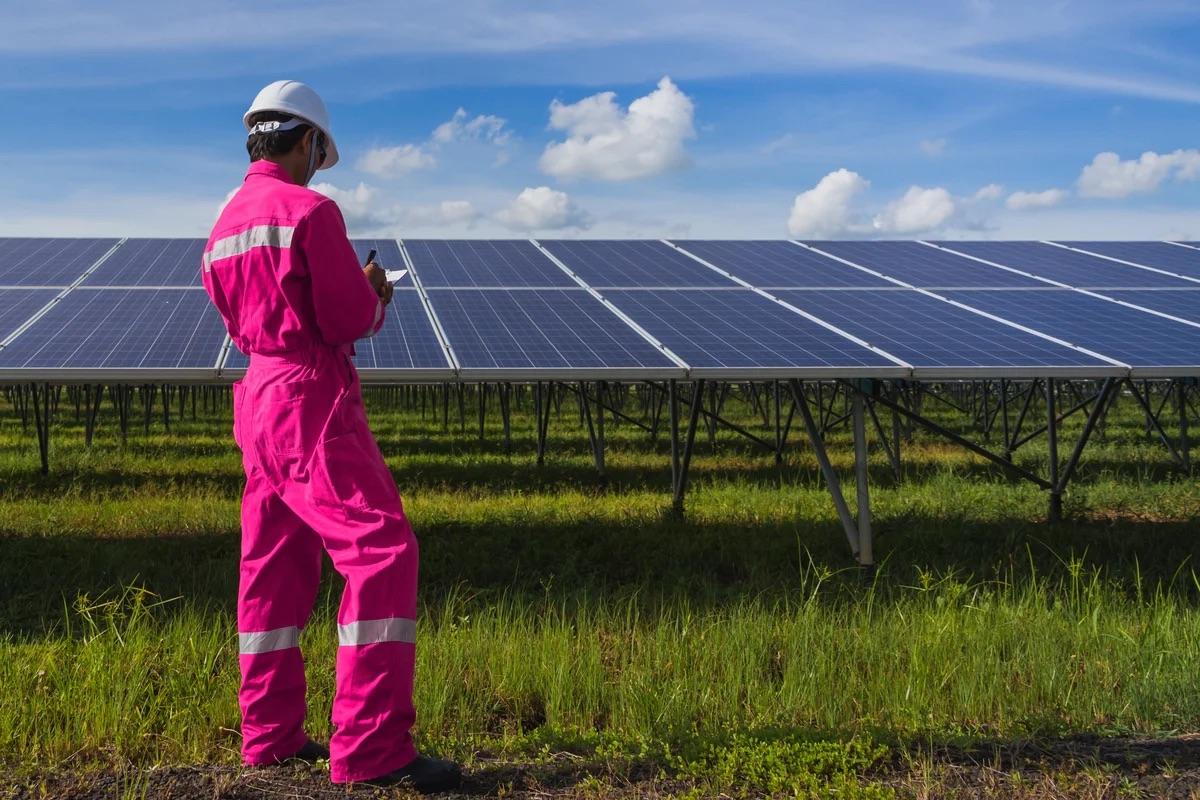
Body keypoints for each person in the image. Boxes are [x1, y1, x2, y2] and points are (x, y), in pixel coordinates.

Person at [200, 79, 461, 793]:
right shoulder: (312, 211)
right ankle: (374, 749)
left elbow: (234, 313)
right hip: (310, 397)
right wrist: (374, 293)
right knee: (382, 552)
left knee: (272, 567)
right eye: (321, 151)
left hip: (256, 399)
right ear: (309, 142)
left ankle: (271, 736)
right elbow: (344, 320)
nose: (320, 165)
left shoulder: (222, 228)